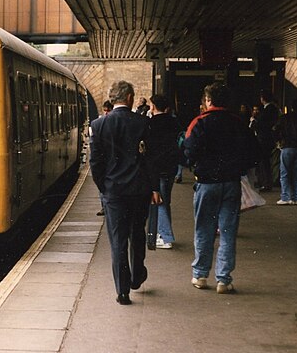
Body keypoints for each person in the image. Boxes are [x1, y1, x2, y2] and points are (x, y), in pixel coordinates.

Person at [90, 81, 161, 305]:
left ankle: (122, 291)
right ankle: (137, 275)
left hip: (114, 192)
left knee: (118, 239)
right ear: (130, 98)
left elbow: (95, 163)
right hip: (139, 189)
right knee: (137, 233)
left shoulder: (99, 125)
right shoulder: (143, 123)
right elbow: (151, 158)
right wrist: (154, 187)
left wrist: (105, 188)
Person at [183, 83, 259, 294]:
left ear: (208, 100)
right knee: (227, 231)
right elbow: (253, 152)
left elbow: (189, 151)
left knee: (204, 229)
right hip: (231, 183)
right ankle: (223, 280)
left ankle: (200, 275)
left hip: (207, 183)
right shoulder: (238, 122)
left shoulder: (199, 122)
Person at [147, 94, 181, 249]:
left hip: (157, 168)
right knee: (165, 200)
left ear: (153, 106)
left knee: (158, 201)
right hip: (171, 167)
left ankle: (166, 236)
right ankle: (162, 233)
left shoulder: (150, 124)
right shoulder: (174, 122)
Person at [273, 98, 297, 205]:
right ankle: (295, 198)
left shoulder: (285, 118)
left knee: (285, 173)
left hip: (286, 147)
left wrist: (278, 142)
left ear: (292, 107)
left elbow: (275, 130)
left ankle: (285, 197)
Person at [255, 90, 280, 191]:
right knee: (267, 162)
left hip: (264, 138)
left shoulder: (268, 110)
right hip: (269, 138)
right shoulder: (274, 109)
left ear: (262, 99)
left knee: (264, 162)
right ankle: (267, 182)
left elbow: (262, 124)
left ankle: (266, 183)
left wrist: (255, 122)